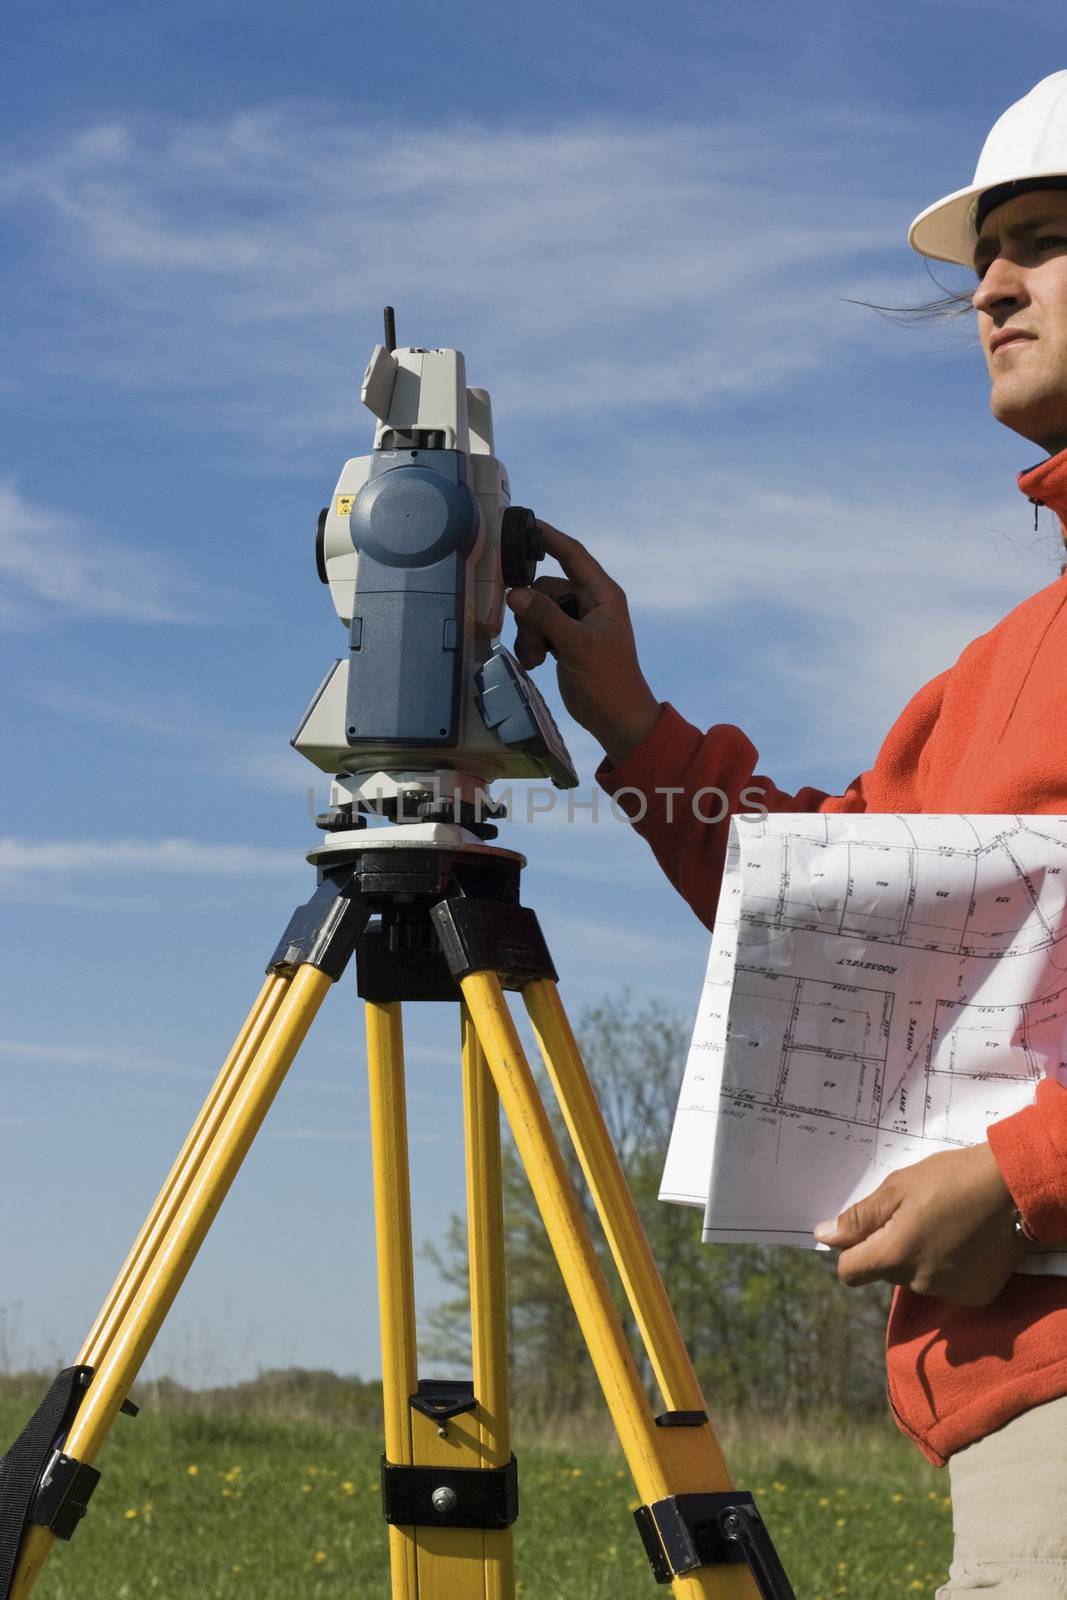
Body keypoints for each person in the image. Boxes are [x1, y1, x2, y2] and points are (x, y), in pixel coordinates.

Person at [505, 71, 1067, 1597]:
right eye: (983, 259)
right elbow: (817, 906)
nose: (993, 288)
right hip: (1010, 1410)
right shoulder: (1008, 664)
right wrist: (632, 722)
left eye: (1045, 237)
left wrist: (1021, 1178)